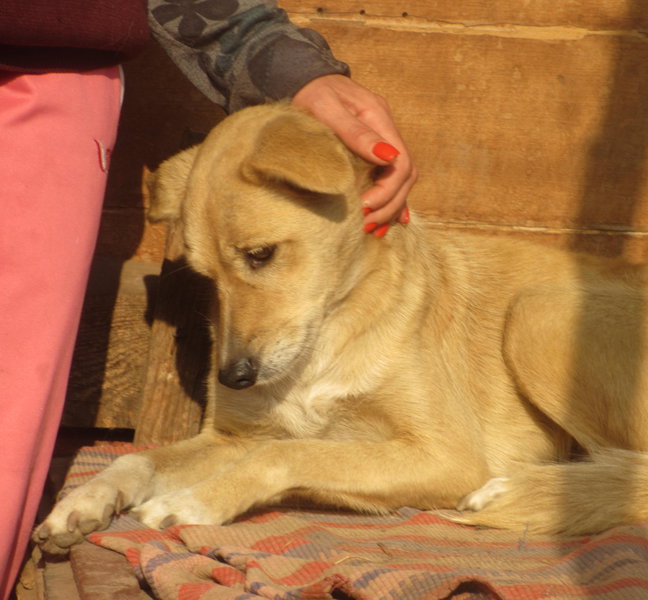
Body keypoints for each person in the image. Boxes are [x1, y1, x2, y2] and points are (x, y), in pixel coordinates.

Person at [0, 1, 417, 596]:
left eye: (260, 257)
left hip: (41, 70)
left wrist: (280, 62)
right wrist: (131, 475)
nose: (236, 331)